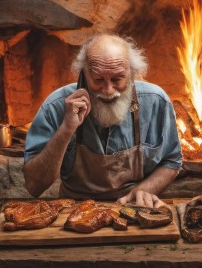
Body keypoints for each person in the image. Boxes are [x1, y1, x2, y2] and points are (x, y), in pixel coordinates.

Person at [23, 34, 182, 208]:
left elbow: (171, 161)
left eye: (117, 79)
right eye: (98, 80)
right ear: (83, 75)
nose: (107, 90)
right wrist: (66, 129)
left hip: (133, 207)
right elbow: (34, 186)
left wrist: (144, 189)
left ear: (132, 73)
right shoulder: (55, 106)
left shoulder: (156, 101)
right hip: (73, 209)